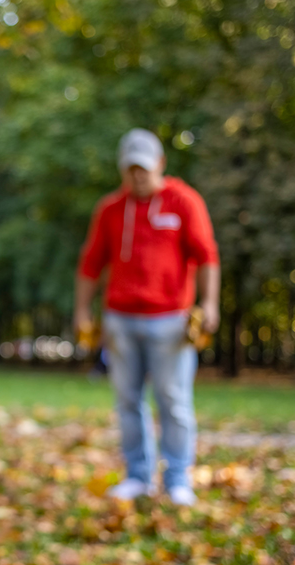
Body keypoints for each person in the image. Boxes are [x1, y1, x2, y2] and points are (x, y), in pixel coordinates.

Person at [74, 128, 220, 507]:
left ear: (160, 164)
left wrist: (210, 304)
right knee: (128, 401)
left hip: (170, 320)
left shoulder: (184, 202)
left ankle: (177, 479)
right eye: (130, 169)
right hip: (120, 320)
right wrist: (81, 311)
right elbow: (91, 264)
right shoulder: (109, 209)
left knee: (173, 400)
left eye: (143, 167)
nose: (137, 176)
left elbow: (207, 256)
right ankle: (139, 476)